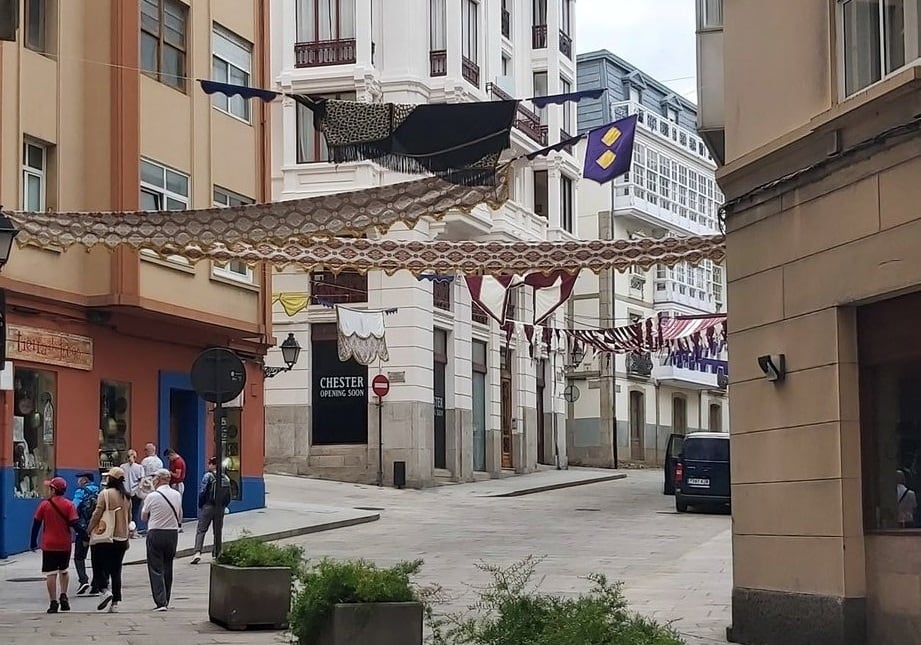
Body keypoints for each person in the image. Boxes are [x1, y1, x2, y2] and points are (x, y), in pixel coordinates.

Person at [30, 477, 78, 614]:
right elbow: (74, 523)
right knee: (64, 570)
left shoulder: (44, 505)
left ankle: (53, 602)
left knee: (50, 573)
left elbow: (36, 524)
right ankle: (63, 595)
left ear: (53, 490)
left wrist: (33, 542)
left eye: (50, 488)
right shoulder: (69, 505)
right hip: (65, 544)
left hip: (49, 544)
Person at [88, 466, 132, 613]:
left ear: (111, 479)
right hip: (122, 537)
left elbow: (97, 514)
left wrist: (89, 529)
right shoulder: (127, 496)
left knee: (98, 564)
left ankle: (103, 590)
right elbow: (129, 518)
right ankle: (115, 603)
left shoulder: (105, 494)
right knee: (116, 569)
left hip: (105, 536)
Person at [142, 468, 182, 611]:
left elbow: (143, 516)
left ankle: (160, 601)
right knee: (168, 565)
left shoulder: (152, 496)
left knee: (155, 567)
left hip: (156, 532)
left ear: (158, 479)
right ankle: (167, 598)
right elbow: (180, 515)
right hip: (172, 533)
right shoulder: (177, 495)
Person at [191, 457, 231, 565]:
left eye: (209, 464)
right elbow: (229, 495)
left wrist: (201, 504)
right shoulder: (226, 478)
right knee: (217, 531)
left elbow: (202, 491)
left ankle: (197, 552)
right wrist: (223, 505)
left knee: (201, 530)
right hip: (220, 508)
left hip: (208, 506)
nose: (208, 466)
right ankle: (217, 553)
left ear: (213, 465)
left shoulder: (208, 476)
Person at [71, 471, 101, 595]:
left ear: (84, 480)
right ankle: (96, 583)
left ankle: (83, 580)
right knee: (97, 556)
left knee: (79, 556)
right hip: (97, 528)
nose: (78, 481)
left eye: (79, 478)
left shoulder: (81, 491)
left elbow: (73, 506)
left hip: (83, 529)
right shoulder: (100, 491)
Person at [120, 450, 145, 537]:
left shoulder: (122, 467)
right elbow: (142, 480)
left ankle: (125, 531)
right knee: (135, 512)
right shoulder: (139, 467)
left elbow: (120, 479)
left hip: (125, 492)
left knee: (125, 512)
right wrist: (139, 488)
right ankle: (134, 532)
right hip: (135, 492)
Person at [164, 448, 187, 532]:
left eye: (168, 457)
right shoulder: (174, 461)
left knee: (178, 505)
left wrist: (169, 472)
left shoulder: (178, 462)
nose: (168, 459)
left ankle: (179, 524)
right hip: (174, 484)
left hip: (177, 484)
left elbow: (178, 475)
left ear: (171, 455)